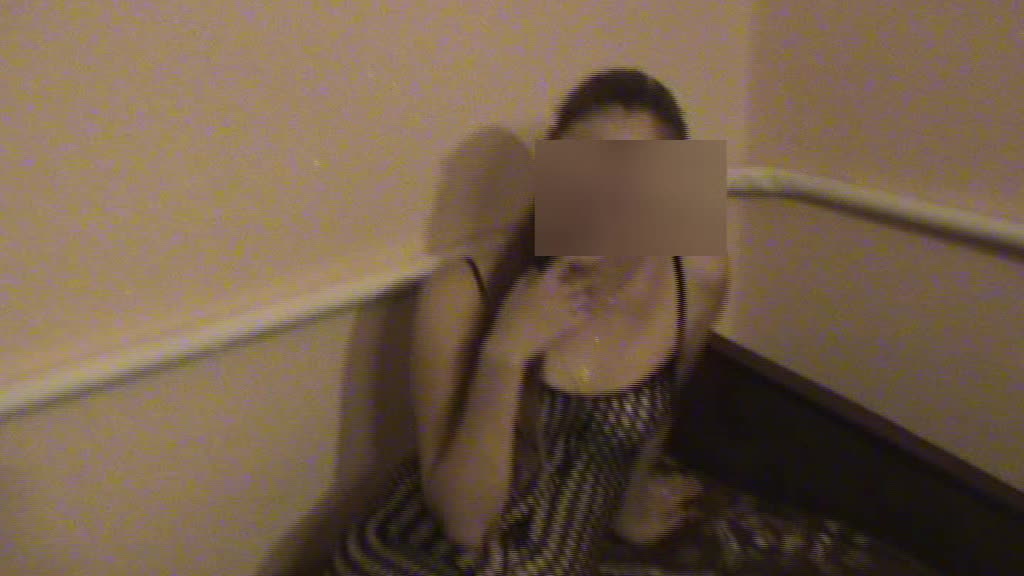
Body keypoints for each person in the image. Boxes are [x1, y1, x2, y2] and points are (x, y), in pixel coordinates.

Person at [327, 68, 730, 576]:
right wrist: (506, 352)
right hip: (417, 555)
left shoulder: (697, 277)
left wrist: (626, 503)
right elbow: (465, 524)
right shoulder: (462, 290)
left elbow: (659, 406)